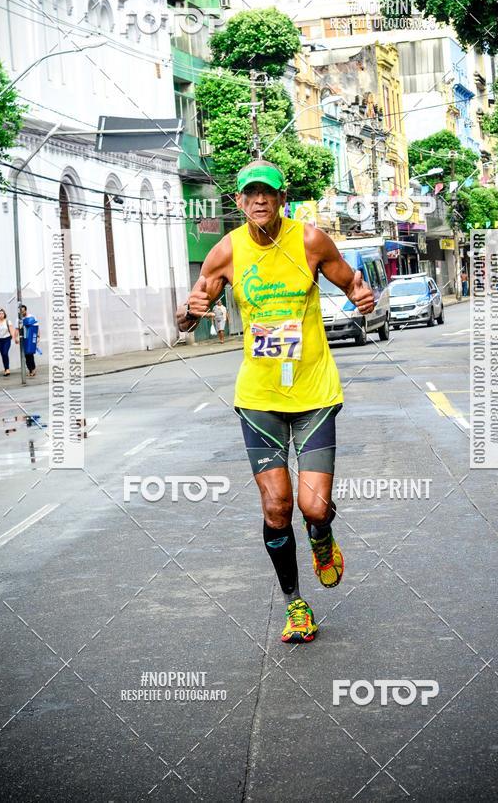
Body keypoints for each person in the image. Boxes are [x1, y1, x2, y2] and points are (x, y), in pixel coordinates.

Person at [177, 160, 374, 645]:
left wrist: (361, 294)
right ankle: (296, 605)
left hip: (314, 393)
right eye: (250, 194)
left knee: (313, 506)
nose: (259, 200)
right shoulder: (224, 254)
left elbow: (350, 281)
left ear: (282, 199)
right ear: (239, 202)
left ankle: (322, 538)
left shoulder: (310, 241)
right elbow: (186, 317)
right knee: (276, 507)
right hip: (259, 397)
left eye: (268, 193)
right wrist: (188, 312)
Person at [16, 304, 40, 376]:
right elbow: (17, 329)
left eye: (23, 311)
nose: (22, 312)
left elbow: (37, 327)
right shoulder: (18, 319)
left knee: (30, 354)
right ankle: (30, 370)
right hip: (23, 339)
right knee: (26, 356)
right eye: (21, 311)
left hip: (30, 338)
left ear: (25, 310)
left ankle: (33, 369)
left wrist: (38, 336)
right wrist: (16, 338)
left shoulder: (32, 317)